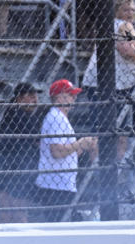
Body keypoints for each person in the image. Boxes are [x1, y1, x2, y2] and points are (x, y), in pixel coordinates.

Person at [81, 0, 135, 160]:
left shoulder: (120, 25)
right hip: (110, 83)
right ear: (117, 11)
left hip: (117, 83)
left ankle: (114, 166)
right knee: (107, 128)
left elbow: (128, 44)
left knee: (118, 127)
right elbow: (126, 49)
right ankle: (102, 168)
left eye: (132, 10)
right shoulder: (123, 25)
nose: (130, 13)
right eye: (125, 9)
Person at [34, 79, 98, 220]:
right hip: (56, 185)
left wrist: (84, 145)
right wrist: (80, 142)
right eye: (69, 94)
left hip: (60, 183)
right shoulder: (56, 117)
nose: (74, 98)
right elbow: (57, 152)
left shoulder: (60, 117)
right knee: (59, 224)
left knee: (62, 223)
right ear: (58, 97)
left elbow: (69, 152)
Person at [0, 82, 44, 222]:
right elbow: (35, 140)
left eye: (36, 96)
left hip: (6, 166)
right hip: (17, 167)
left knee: (6, 212)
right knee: (19, 214)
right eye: (31, 96)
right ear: (19, 99)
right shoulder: (20, 115)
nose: (35, 100)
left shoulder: (12, 112)